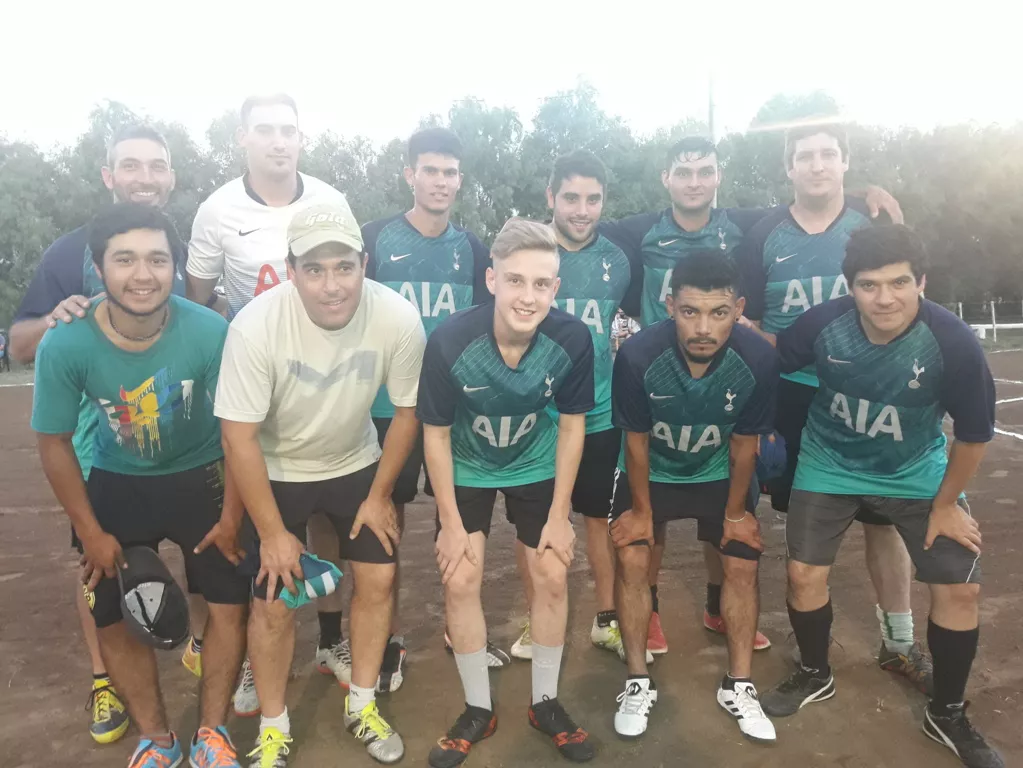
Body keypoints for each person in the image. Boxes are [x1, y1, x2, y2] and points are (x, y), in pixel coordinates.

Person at [761, 225, 1003, 768]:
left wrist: (945, 504)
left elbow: (975, 435)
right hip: (830, 464)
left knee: (961, 589)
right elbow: (767, 362)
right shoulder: (823, 325)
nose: (885, 298)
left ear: (922, 282)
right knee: (803, 574)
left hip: (915, 472)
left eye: (899, 283)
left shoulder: (952, 341)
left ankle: (947, 712)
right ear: (850, 287)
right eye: (869, 285)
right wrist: (765, 429)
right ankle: (815, 673)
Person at [31, 203, 249, 768]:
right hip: (117, 484)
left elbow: (237, 435)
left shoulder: (209, 332)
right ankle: (158, 739)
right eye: (124, 259)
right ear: (98, 267)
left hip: (202, 477)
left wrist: (232, 517)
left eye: (157, 259)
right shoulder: (67, 342)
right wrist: (90, 530)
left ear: (175, 266)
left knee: (227, 604)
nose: (143, 273)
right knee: (111, 612)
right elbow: (53, 443)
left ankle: (212, 732)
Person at [7, 124, 206, 744]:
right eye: (131, 165)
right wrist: (52, 321)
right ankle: (103, 680)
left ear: (171, 177)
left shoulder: (183, 245)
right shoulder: (71, 254)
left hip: (184, 443)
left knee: (208, 559)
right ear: (107, 175)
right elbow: (18, 346)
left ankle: (203, 643)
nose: (145, 177)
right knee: (100, 565)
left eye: (157, 166)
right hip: (99, 452)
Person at [216, 202, 425, 767]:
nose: (332, 286)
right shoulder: (255, 326)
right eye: (314, 269)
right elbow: (238, 438)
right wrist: (272, 531)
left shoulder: (397, 317)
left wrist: (380, 495)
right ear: (291, 270)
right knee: (277, 600)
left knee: (378, 577)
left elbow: (407, 413)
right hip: (276, 469)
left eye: (344, 267)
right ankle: (274, 727)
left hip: (355, 463)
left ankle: (361, 703)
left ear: (364, 263)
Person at [738, 123, 932, 693]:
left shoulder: (871, 223)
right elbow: (749, 316)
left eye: (828, 154)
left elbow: (910, 294)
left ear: (846, 163)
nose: (817, 165)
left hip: (874, 393)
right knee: (802, 523)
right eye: (805, 156)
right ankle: (812, 651)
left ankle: (898, 641)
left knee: (882, 520)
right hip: (796, 394)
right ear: (789, 167)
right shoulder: (764, 234)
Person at [186, 93, 358, 708]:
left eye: (289, 130)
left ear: (301, 139)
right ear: (242, 138)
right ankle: (264, 658)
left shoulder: (332, 201)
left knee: (325, 524)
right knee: (268, 527)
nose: (278, 142)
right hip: (259, 390)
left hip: (328, 387)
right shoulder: (215, 211)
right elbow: (200, 299)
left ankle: (331, 638)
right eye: (265, 130)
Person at [419, 219, 596, 767]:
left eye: (541, 284)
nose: (528, 296)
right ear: (491, 279)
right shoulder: (451, 340)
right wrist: (449, 520)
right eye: (515, 281)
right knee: (462, 573)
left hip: (534, 462)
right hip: (469, 465)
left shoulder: (571, 339)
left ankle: (544, 703)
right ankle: (478, 708)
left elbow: (571, 426)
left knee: (550, 570)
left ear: (556, 289)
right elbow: (436, 434)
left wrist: (562, 513)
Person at [608, 251, 778, 741]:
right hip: (652, 472)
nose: (703, 327)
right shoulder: (639, 356)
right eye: (690, 312)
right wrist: (641, 513)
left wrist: (735, 513)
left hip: (716, 471)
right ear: (669, 306)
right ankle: (638, 680)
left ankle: (739, 685)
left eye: (719, 313)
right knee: (634, 559)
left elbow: (746, 443)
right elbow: (635, 443)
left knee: (742, 560)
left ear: (739, 307)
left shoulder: (759, 357)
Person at [360, 127, 503, 669]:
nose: (441, 182)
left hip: (454, 408)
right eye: (430, 170)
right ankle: (389, 639)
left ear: (459, 180)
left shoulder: (472, 250)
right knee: (386, 522)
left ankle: (457, 628)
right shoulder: (374, 239)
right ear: (409, 174)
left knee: (456, 520)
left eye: (450, 173)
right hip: (386, 405)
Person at [508, 150, 646, 664]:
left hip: (600, 410)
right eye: (570, 198)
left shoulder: (618, 259)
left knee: (598, 519)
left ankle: (606, 619)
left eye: (593, 199)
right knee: (540, 521)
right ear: (550, 197)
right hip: (536, 414)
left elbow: (623, 324)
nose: (581, 209)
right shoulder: (528, 255)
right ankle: (536, 617)